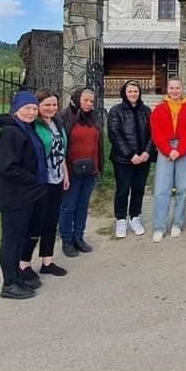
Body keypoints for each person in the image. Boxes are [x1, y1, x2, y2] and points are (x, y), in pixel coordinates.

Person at [0, 91, 48, 299]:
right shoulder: (11, 132)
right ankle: (9, 284)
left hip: (26, 194)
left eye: (34, 108)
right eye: (27, 108)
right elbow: (7, 167)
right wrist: (33, 179)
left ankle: (17, 277)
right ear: (16, 110)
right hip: (13, 195)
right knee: (11, 240)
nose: (32, 112)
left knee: (21, 236)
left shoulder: (27, 129)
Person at [18, 90, 70, 286]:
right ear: (38, 106)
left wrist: (65, 173)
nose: (51, 108)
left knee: (51, 221)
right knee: (35, 223)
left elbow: (61, 151)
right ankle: (24, 264)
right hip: (41, 181)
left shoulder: (56, 123)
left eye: (54, 105)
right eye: (47, 105)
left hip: (56, 178)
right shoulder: (34, 126)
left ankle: (47, 261)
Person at [149, 78, 186, 242]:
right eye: (172, 88)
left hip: (183, 148)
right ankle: (159, 226)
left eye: (178, 88)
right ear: (167, 89)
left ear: (182, 89)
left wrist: (180, 150)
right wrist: (168, 150)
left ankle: (177, 223)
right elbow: (157, 132)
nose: (175, 91)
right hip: (166, 149)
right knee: (162, 189)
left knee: (183, 188)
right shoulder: (159, 109)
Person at [59, 87, 103, 257]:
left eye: (91, 101)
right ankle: (67, 240)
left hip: (90, 169)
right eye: (85, 100)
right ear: (77, 99)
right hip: (71, 170)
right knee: (68, 206)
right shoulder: (65, 117)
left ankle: (79, 237)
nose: (89, 104)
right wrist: (64, 170)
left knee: (83, 205)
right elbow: (61, 143)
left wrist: (98, 166)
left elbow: (98, 143)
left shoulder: (94, 117)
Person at [107, 80, 154, 238]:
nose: (133, 94)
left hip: (143, 158)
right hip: (123, 159)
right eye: (130, 91)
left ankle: (135, 217)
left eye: (135, 91)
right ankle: (121, 219)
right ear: (124, 93)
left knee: (138, 189)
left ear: (139, 93)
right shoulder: (116, 110)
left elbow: (153, 133)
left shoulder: (146, 110)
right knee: (123, 189)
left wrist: (147, 152)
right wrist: (130, 154)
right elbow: (114, 134)